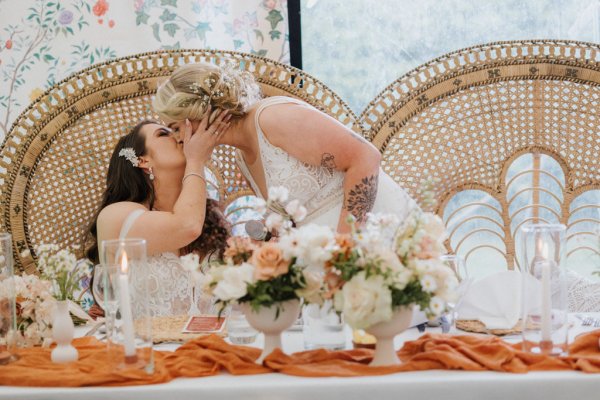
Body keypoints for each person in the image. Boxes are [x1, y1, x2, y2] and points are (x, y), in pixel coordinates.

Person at [152, 63, 417, 233]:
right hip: (322, 259)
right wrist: (254, 243)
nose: (177, 139)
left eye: (176, 128)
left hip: (376, 234)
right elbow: (286, 220)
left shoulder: (271, 119)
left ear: (198, 113)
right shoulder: (242, 158)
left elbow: (365, 157)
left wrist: (345, 248)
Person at [85, 116, 230, 317]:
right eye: (164, 133)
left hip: (216, 345)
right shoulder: (116, 216)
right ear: (143, 160)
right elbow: (186, 227)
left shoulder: (210, 220)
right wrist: (196, 160)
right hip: (148, 346)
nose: (178, 136)